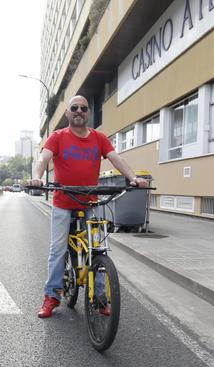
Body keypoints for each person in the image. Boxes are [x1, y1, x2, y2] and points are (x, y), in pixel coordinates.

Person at [28, 95, 148, 318]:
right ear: (68, 113)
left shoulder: (99, 138)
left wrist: (133, 178)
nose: (79, 111)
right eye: (74, 107)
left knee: (98, 249)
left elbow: (116, 159)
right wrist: (37, 177)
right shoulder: (57, 137)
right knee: (58, 250)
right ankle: (52, 295)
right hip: (63, 202)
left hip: (90, 201)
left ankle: (100, 297)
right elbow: (43, 159)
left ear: (88, 113)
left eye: (84, 108)